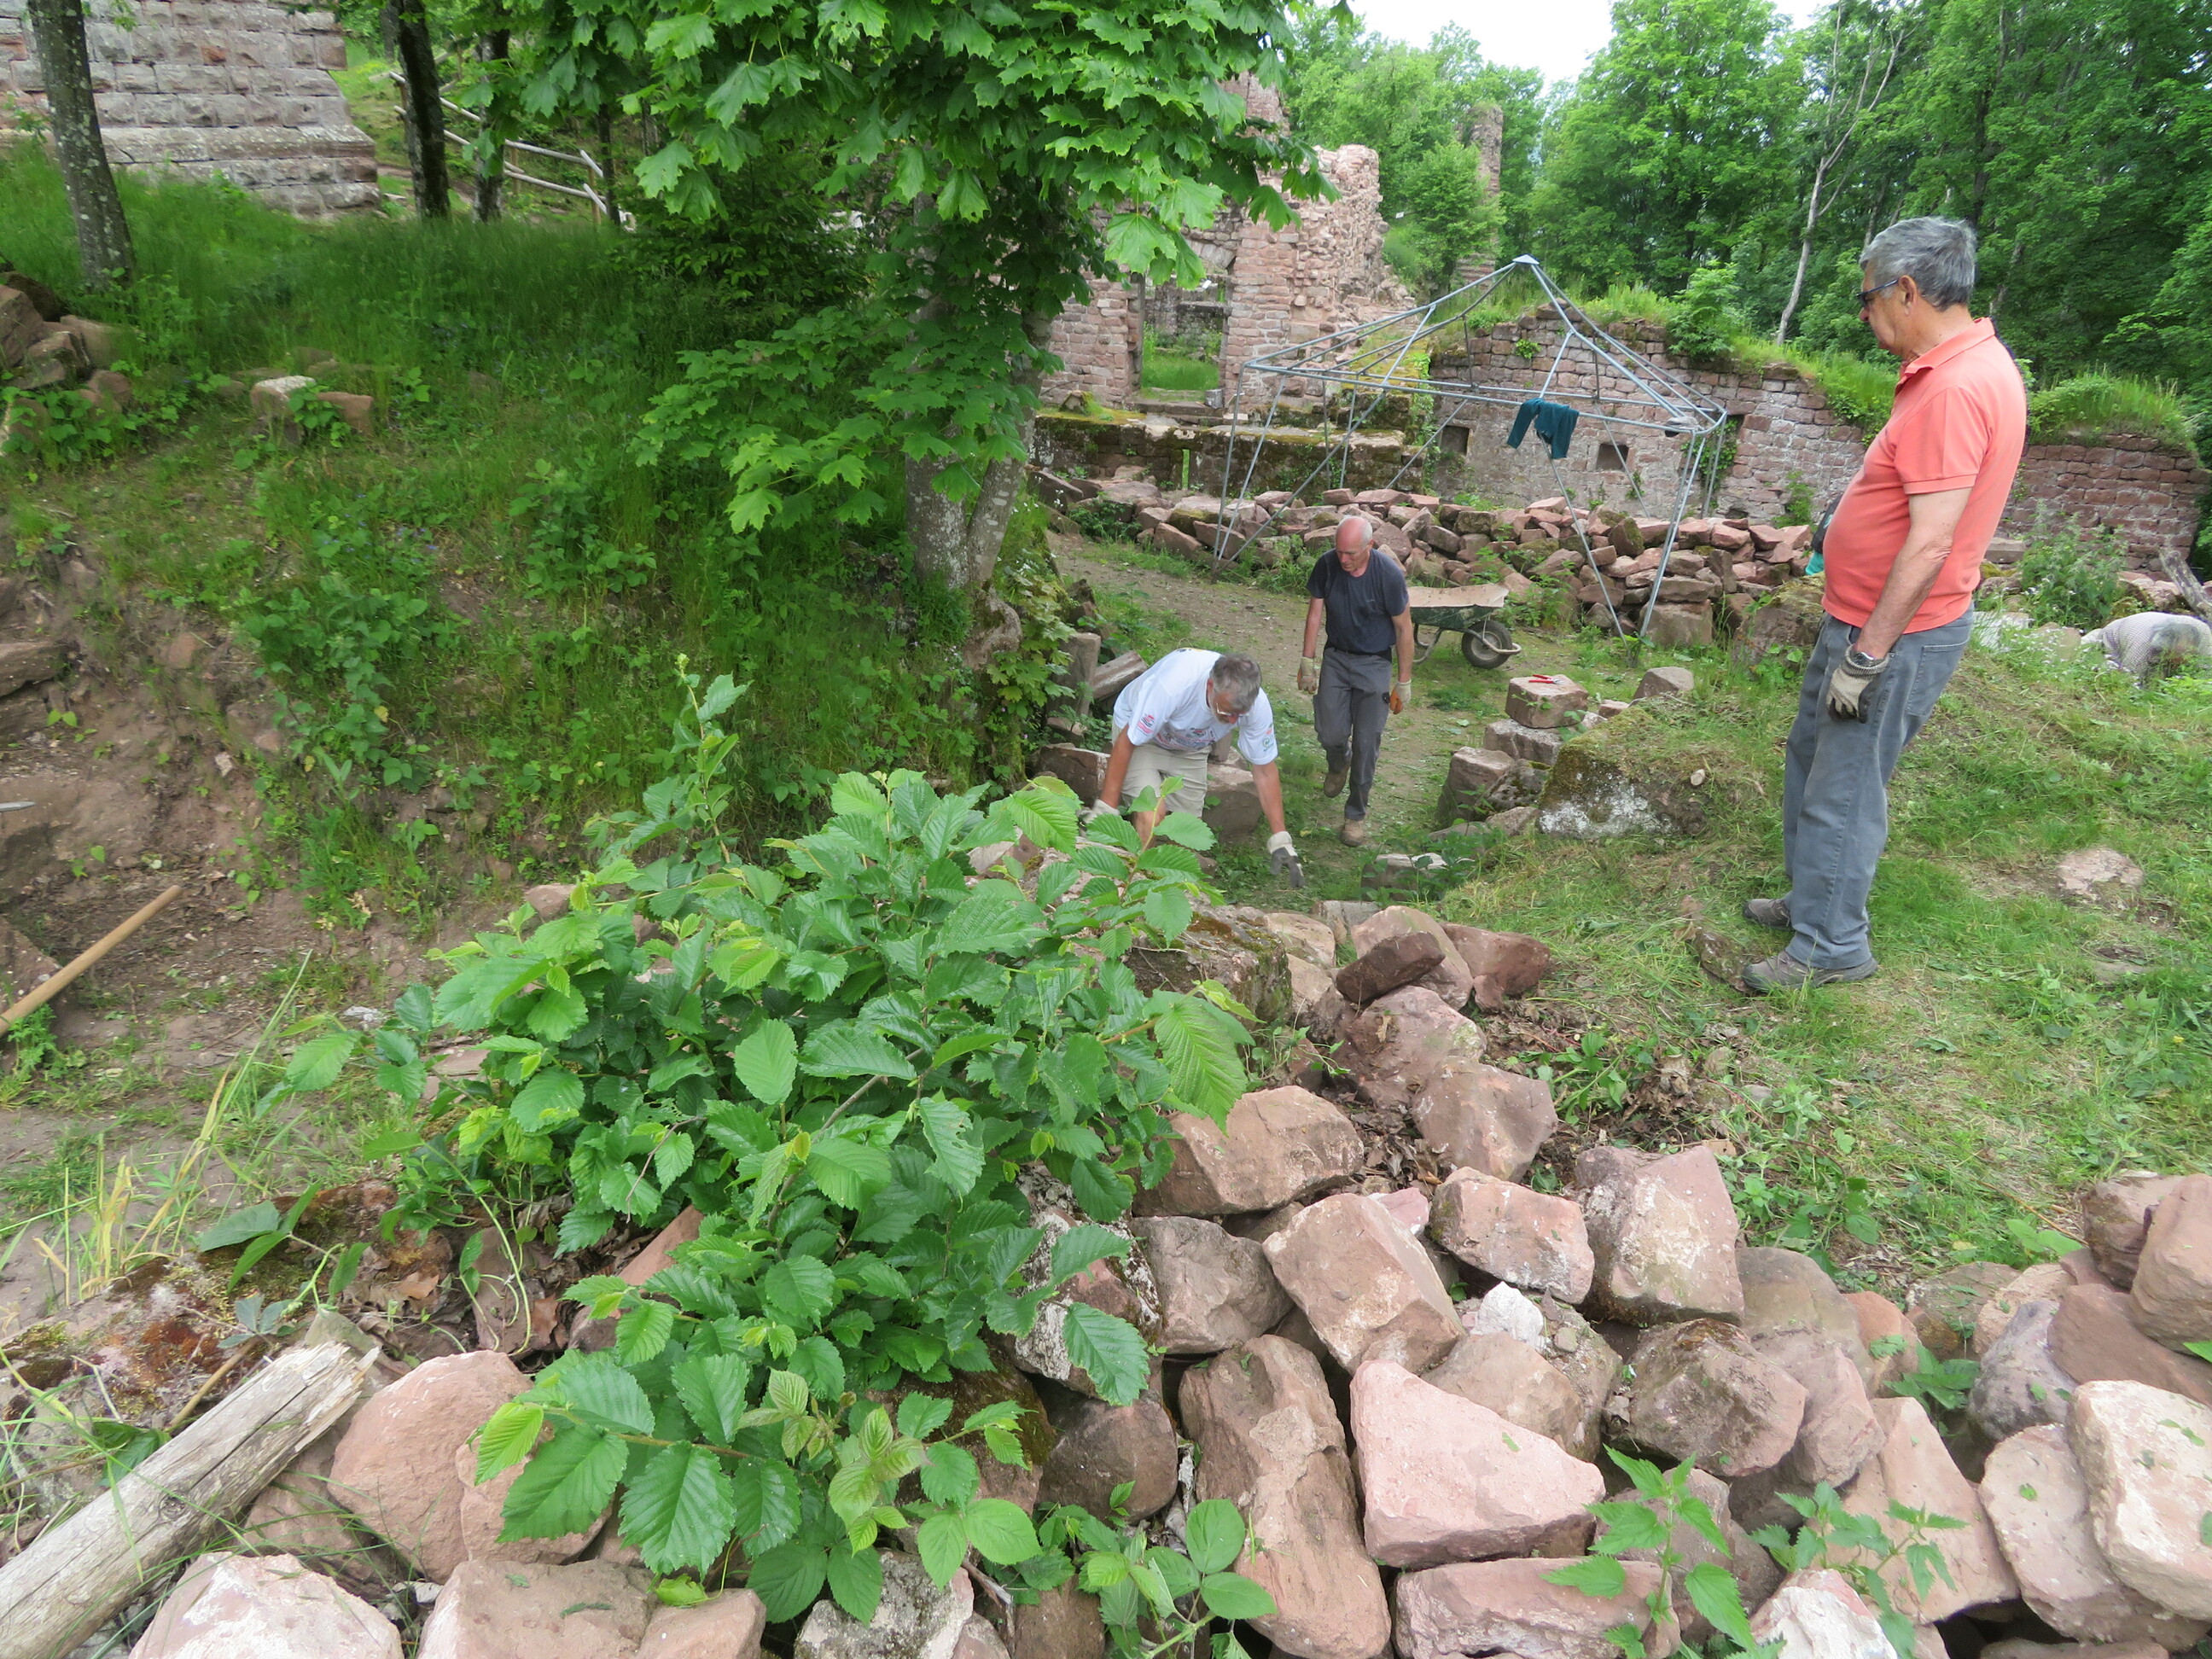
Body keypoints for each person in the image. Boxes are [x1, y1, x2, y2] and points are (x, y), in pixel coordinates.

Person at [1742, 217, 2026, 993]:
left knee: (1843, 792)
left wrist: (1867, 656)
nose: (1865, 314)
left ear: (1907, 290)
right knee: (1814, 764)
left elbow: (1931, 543)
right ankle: (1813, 901)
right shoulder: (1960, 368)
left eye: (1867, 299)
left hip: (1892, 636)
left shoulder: (1957, 388)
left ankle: (1830, 945)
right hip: (1864, 618)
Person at [1094, 648, 1303, 884]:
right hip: (1143, 738)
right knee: (1151, 813)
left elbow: (1264, 770)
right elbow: (1128, 741)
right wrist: (1106, 809)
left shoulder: (1256, 704)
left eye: (1240, 715)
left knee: (1187, 832)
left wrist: (1280, 838)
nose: (1233, 721)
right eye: (1227, 712)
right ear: (1210, 686)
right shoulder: (1174, 685)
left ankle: (1170, 889)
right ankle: (1138, 885)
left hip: (1191, 745)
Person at [1298, 516, 1414, 846]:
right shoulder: (1327, 565)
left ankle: (1355, 816)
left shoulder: (1388, 575)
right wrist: (1308, 662)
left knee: (1367, 744)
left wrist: (1403, 681)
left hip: (1374, 663)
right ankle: (1338, 762)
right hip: (1336, 658)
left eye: (1350, 553)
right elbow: (1315, 614)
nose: (1343, 559)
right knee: (1329, 733)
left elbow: (1404, 628)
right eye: (1339, 551)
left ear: (1370, 546)